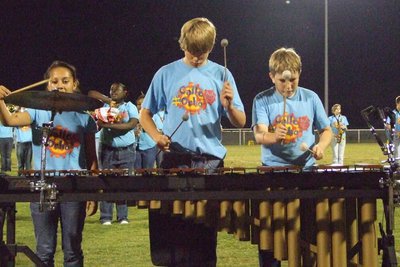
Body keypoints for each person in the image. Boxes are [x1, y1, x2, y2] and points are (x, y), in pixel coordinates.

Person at [140, 17, 246, 266]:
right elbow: (145, 114)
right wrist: (156, 136)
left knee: (204, 239)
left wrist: (229, 106)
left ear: (210, 48)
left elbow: (240, 121)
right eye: (192, 51)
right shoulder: (166, 73)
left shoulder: (222, 74)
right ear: (182, 44)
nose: (197, 57)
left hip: (209, 161)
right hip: (173, 159)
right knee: (171, 236)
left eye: (202, 52)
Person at [0, 60, 98, 267]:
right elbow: (9, 121)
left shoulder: (84, 118)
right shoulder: (37, 112)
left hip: (74, 187)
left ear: (74, 84)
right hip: (42, 187)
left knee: (72, 249)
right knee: (44, 250)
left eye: (65, 81)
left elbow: (91, 158)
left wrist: (93, 191)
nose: (59, 85)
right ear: (47, 85)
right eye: (54, 81)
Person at [251, 47, 333, 266]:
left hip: (306, 173)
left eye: (293, 80)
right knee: (271, 238)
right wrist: (273, 136)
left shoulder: (311, 98)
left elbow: (326, 130)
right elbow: (259, 134)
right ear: (271, 77)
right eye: (282, 81)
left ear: (299, 74)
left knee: (308, 235)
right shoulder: (262, 99)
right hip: (273, 174)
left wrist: (321, 147)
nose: (288, 86)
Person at [89, 83, 139, 225]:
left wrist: (107, 126)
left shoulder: (129, 107)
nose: (114, 91)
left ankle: (122, 216)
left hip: (126, 150)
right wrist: (107, 100)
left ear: (125, 92)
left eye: (117, 89)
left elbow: (131, 125)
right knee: (106, 182)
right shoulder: (106, 107)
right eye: (111, 89)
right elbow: (91, 93)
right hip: (107, 149)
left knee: (123, 183)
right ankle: (106, 216)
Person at [134, 94, 159, 169]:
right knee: (137, 172)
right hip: (136, 148)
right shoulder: (133, 116)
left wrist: (145, 125)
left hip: (149, 147)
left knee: (148, 172)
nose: (141, 106)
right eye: (138, 104)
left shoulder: (154, 116)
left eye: (143, 104)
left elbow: (158, 130)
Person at [14, 106, 33, 172]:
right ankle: (20, 178)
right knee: (20, 164)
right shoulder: (16, 119)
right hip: (20, 143)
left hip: (29, 142)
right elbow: (13, 116)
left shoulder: (30, 118)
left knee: (28, 164)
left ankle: (28, 178)